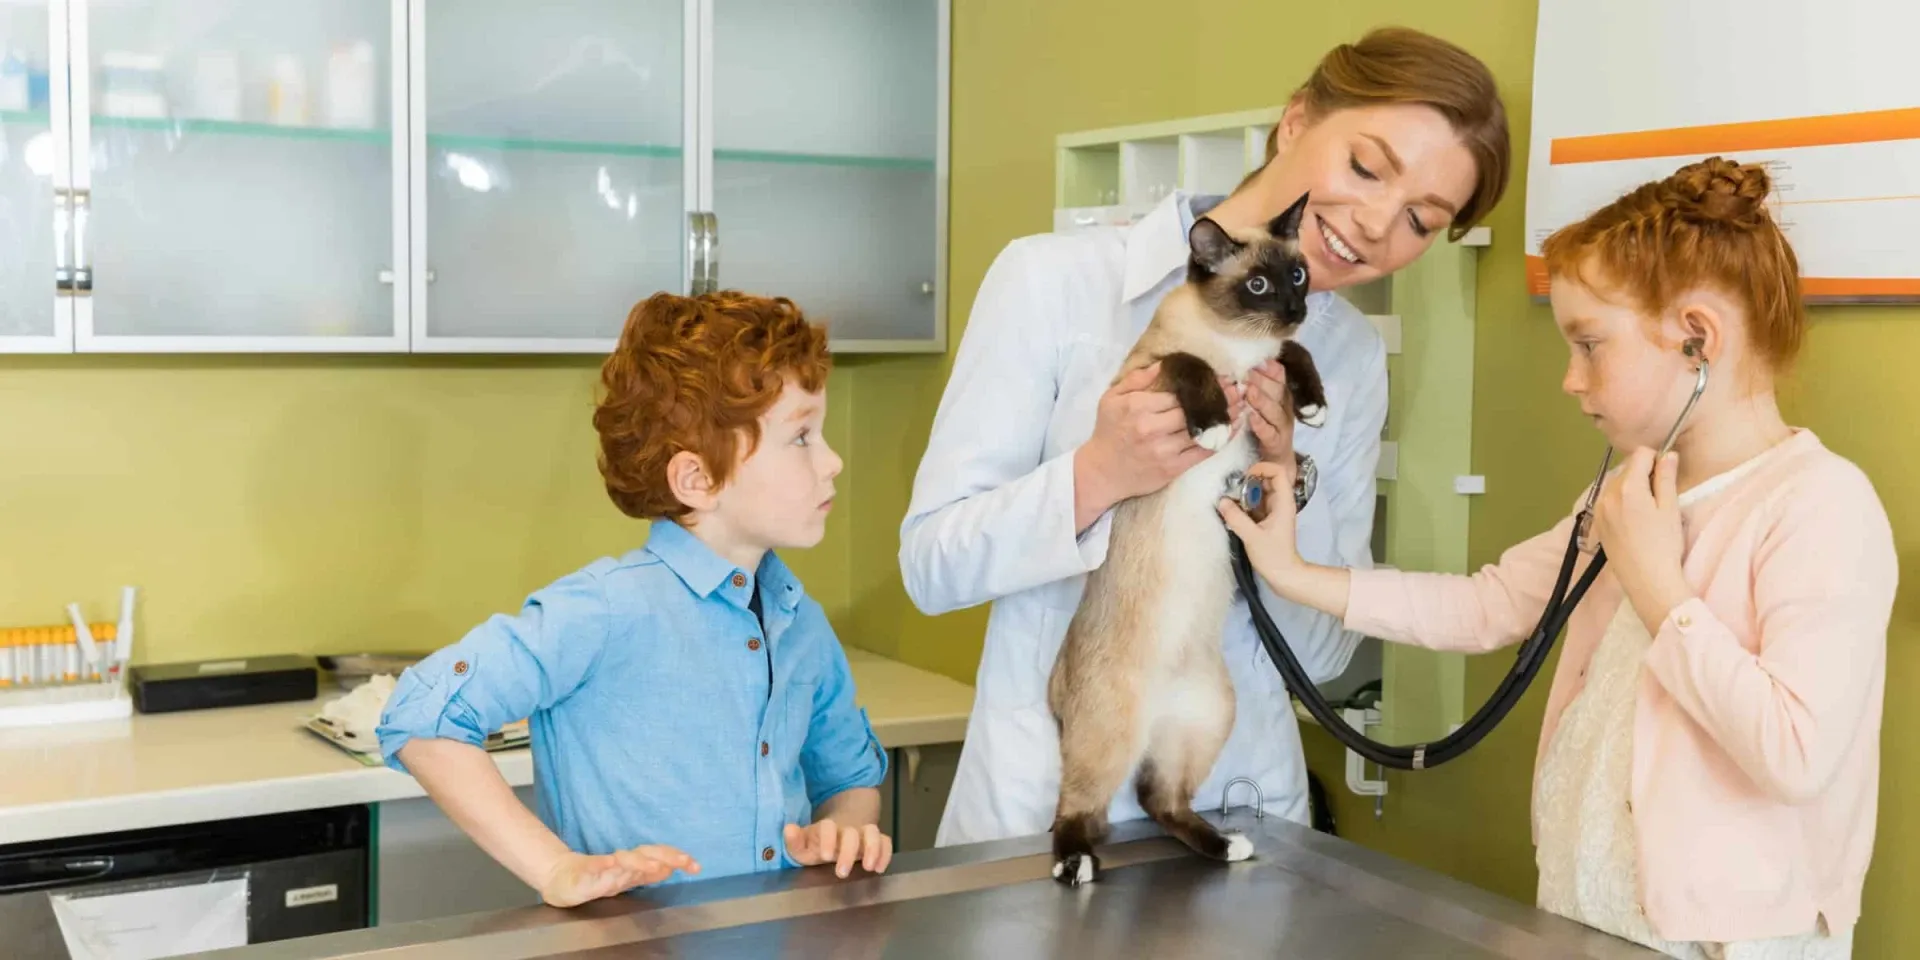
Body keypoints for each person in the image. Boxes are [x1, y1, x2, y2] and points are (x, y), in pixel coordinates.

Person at [1220, 157, 1895, 958]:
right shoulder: (1628, 493)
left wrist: (1658, 588)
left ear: (1697, 338)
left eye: (1589, 345)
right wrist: (1293, 571)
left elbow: (1795, 753)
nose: (1572, 382)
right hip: (1587, 913)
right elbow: (1487, 605)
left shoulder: (1820, 504)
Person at [899, 26, 1512, 846]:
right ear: (1296, 121)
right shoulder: (1054, 281)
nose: (1374, 224)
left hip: (1237, 797)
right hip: (1037, 806)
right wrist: (1100, 473)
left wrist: (1284, 486)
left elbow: (1324, 656)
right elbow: (932, 565)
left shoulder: (1351, 358)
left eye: (1421, 220)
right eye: (1366, 167)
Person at [377, 291, 895, 908]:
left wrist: (842, 828)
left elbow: (849, 778)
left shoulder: (799, 620)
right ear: (698, 479)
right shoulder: (604, 611)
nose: (833, 460)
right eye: (802, 436)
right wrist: (554, 869)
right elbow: (421, 715)